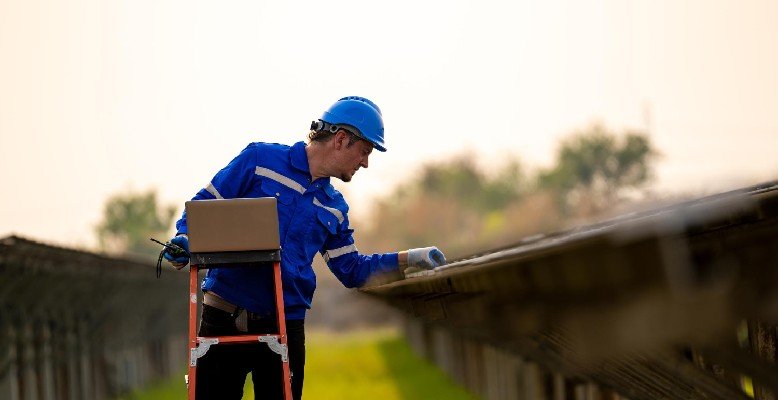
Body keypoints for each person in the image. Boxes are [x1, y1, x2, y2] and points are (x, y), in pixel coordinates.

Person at [163, 96, 446, 400]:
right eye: (364, 152)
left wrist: (409, 259)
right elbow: (204, 206)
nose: (365, 162)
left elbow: (353, 270)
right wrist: (185, 239)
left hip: (287, 326)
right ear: (341, 140)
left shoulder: (335, 207)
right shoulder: (259, 161)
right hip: (224, 316)